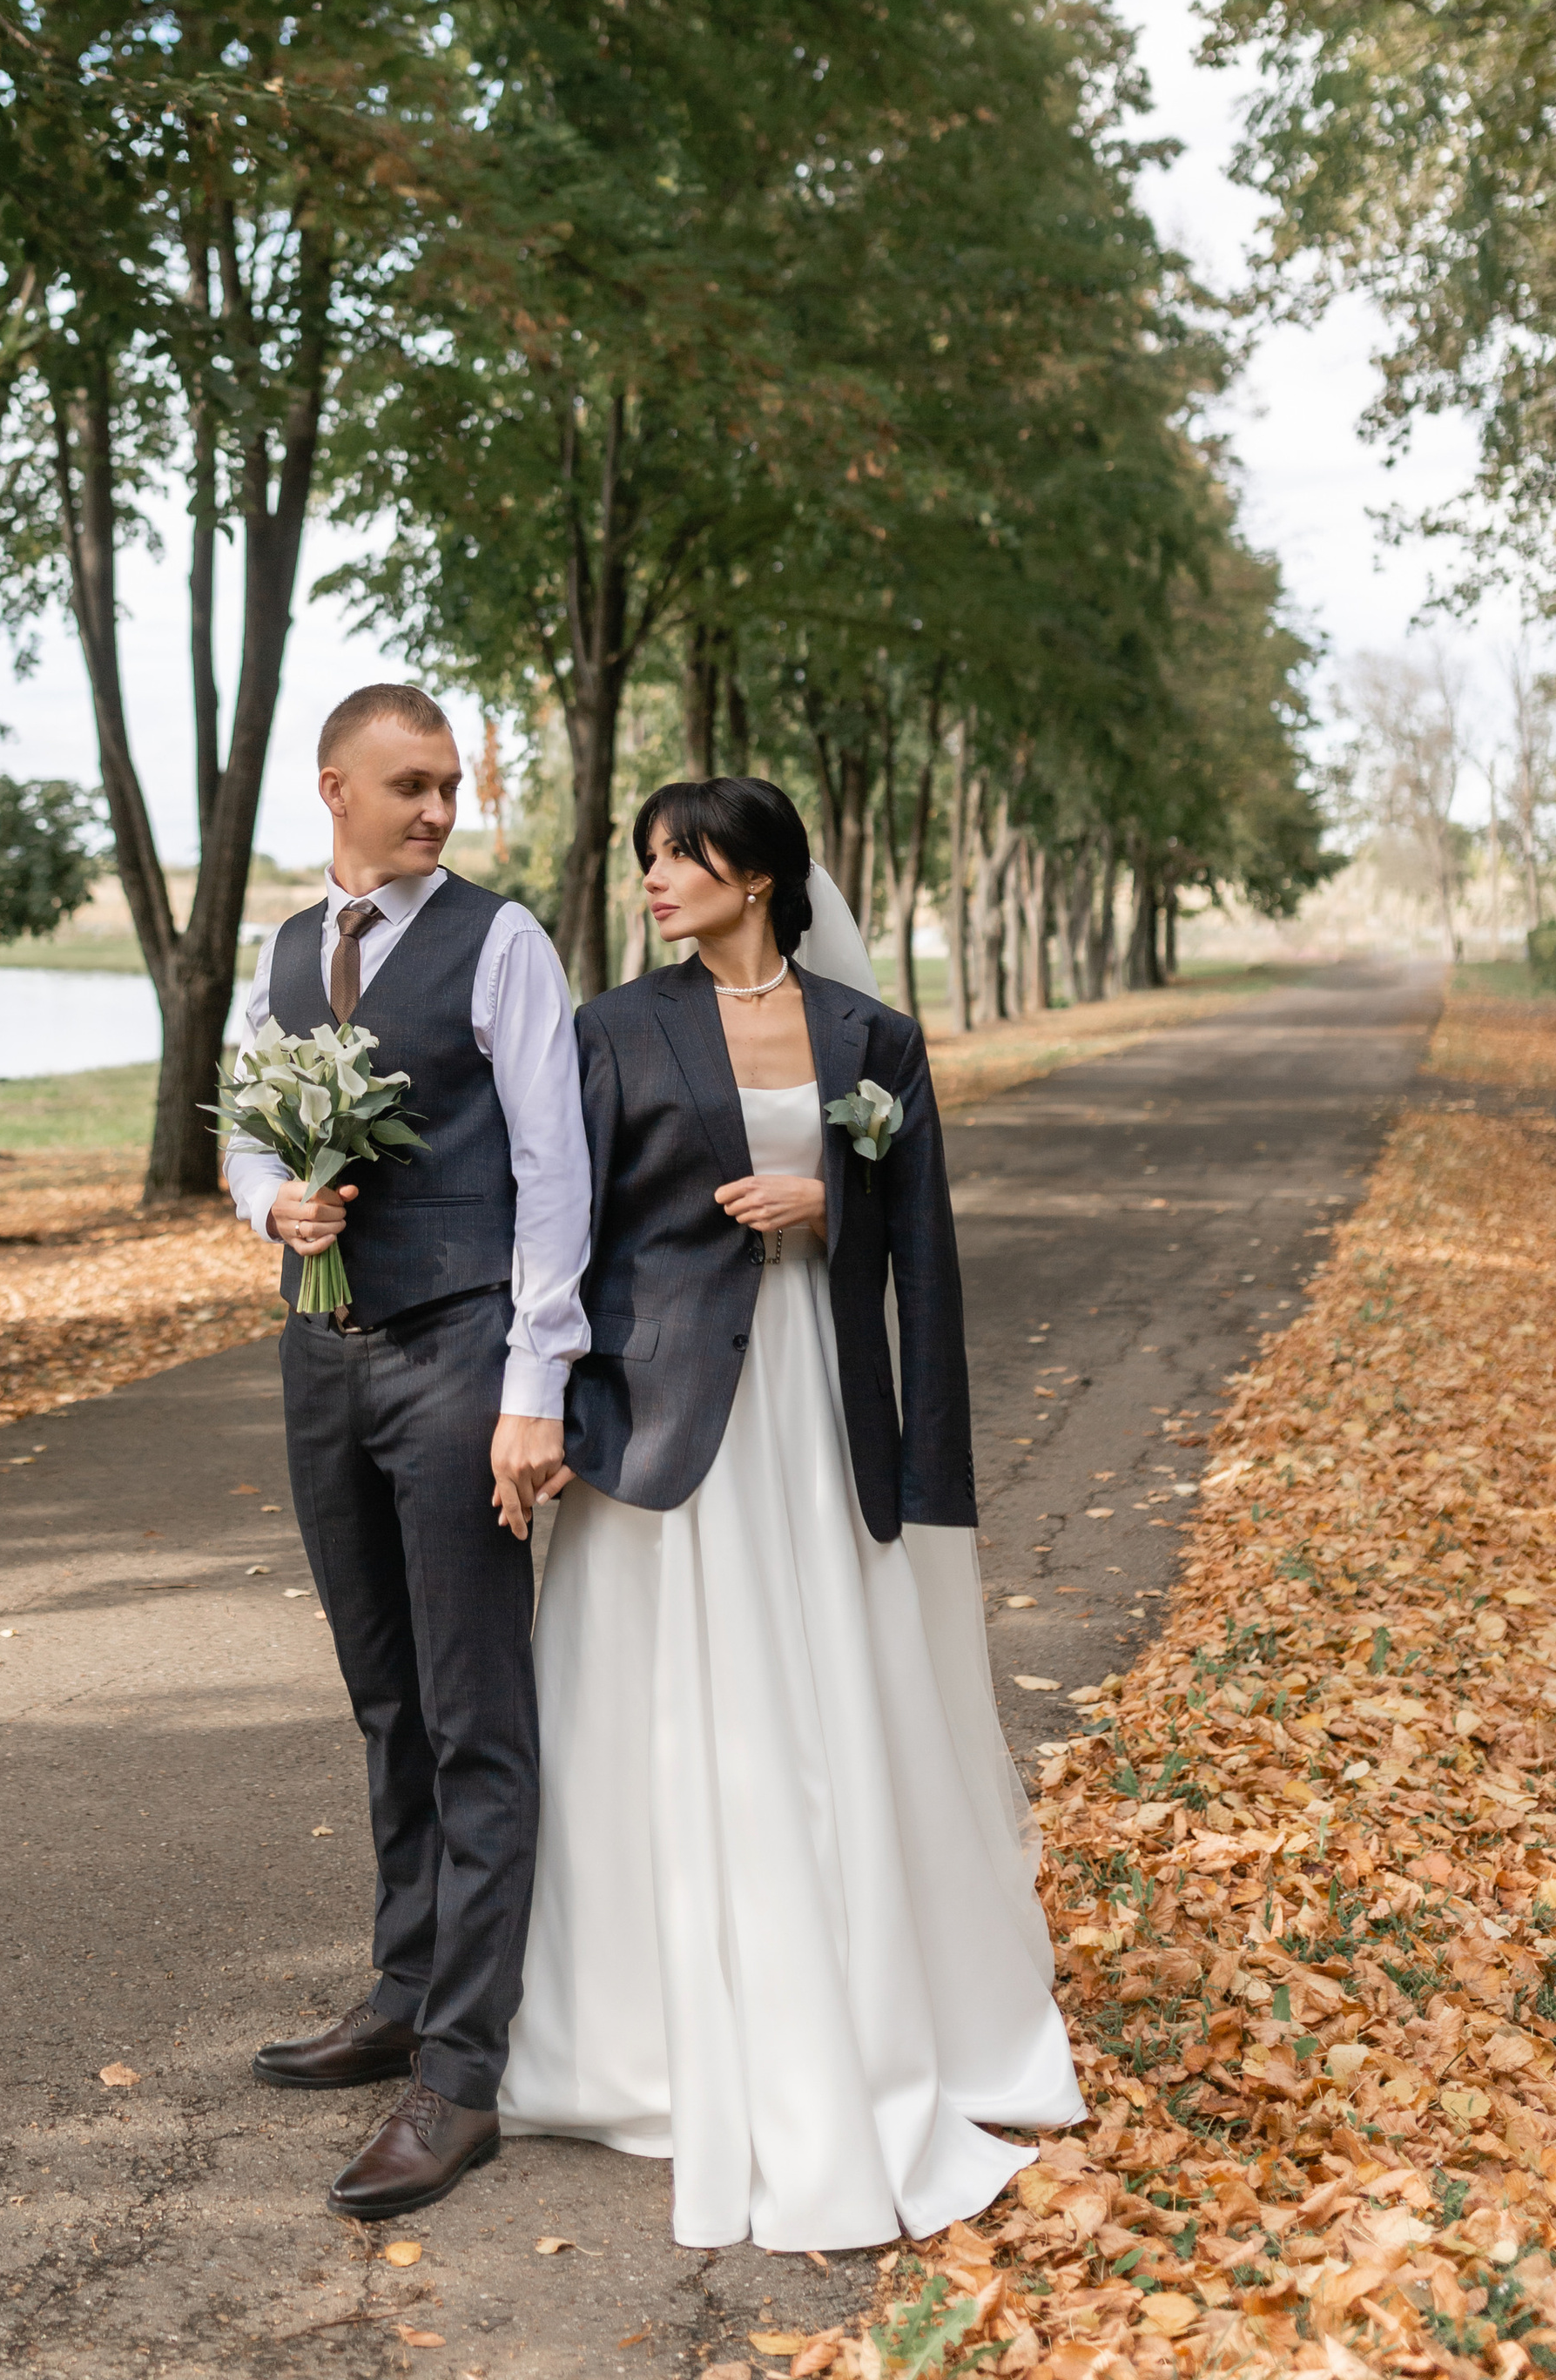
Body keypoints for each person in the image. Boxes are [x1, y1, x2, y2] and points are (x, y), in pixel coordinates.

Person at [497, 776, 1082, 2250]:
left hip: (816, 1395)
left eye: (675, 858)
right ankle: (627, 2034)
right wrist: (547, 1396)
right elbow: (560, 1223)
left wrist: (833, 1205)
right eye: (643, 861)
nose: (652, 880)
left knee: (823, 1688)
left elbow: (922, 1227)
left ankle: (862, 1994)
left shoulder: (872, 1038)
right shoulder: (615, 1029)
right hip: (661, 1406)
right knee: (640, 1706)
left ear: (753, 875)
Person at [226, 684, 590, 2221]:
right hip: (325, 1357)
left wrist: (536, 1382)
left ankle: (461, 2076)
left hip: (459, 1358)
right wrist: (272, 1208)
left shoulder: (500, 944)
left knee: (472, 1712)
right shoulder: (282, 953)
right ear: (334, 792)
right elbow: (243, 1127)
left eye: (447, 788)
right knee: (384, 1693)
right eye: (408, 786)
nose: (437, 810)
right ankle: (402, 1982)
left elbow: (552, 1168)